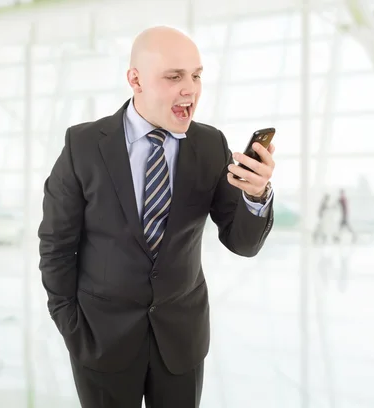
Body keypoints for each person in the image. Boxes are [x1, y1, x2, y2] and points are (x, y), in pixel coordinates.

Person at [37, 26, 275, 408]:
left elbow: (242, 243)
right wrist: (70, 324)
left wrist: (256, 194)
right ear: (135, 80)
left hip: (181, 341)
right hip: (101, 340)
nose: (191, 89)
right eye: (174, 76)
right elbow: (56, 245)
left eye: (196, 75)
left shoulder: (211, 145)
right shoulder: (82, 145)